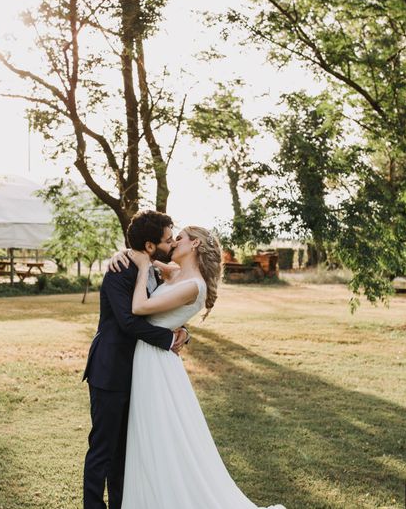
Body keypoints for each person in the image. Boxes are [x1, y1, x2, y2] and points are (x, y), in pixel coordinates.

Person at [109, 226, 285, 509]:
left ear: (194, 245)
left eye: (179, 238)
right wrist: (122, 254)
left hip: (157, 362)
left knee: (159, 433)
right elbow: (143, 255)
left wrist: (142, 269)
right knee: (149, 434)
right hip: (149, 355)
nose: (173, 242)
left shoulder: (194, 286)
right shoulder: (177, 273)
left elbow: (140, 308)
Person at [82, 210, 189, 509]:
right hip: (111, 370)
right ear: (151, 245)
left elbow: (162, 314)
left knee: (125, 451)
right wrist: (168, 341)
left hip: (141, 374)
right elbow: (128, 322)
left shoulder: (156, 270)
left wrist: (181, 332)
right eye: (168, 240)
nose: (172, 243)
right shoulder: (119, 270)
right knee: (103, 449)